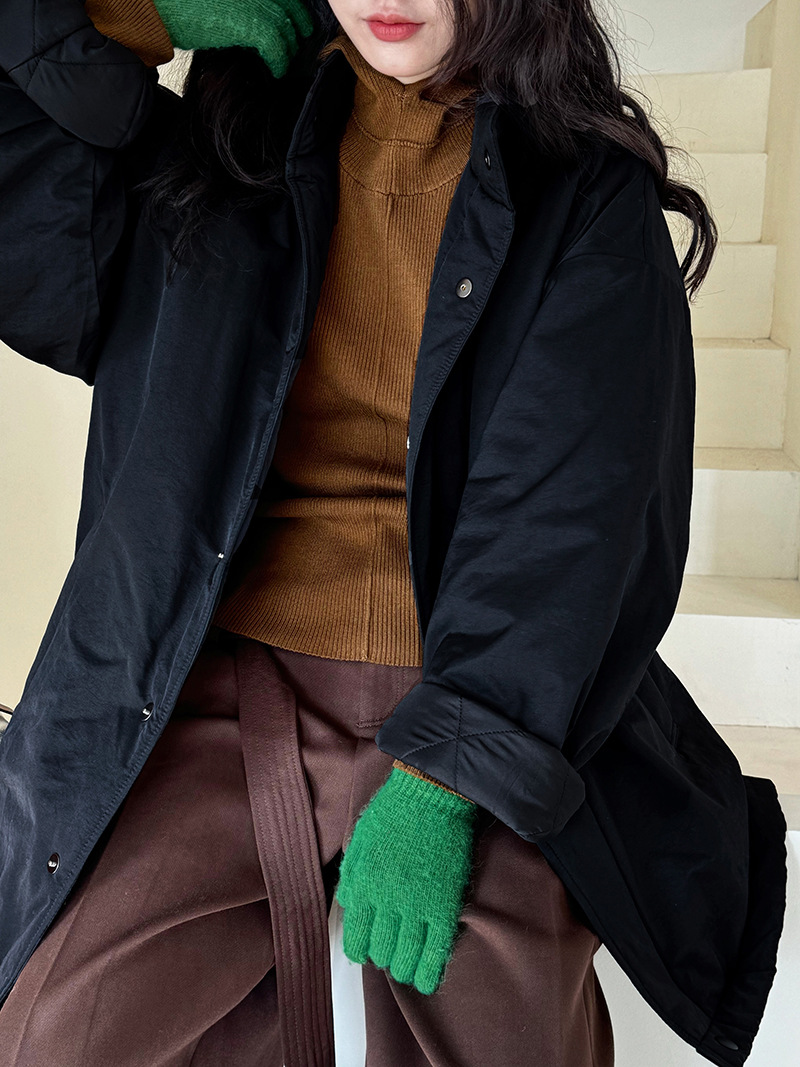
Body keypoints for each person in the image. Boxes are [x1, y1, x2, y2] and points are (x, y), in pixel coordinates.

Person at [0, 0, 787, 1065]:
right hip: (214, 679)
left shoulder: (586, 196)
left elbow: (569, 523)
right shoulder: (216, 155)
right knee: (54, 1032)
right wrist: (137, 11)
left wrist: (445, 778)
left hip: (472, 690)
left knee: (501, 1034)